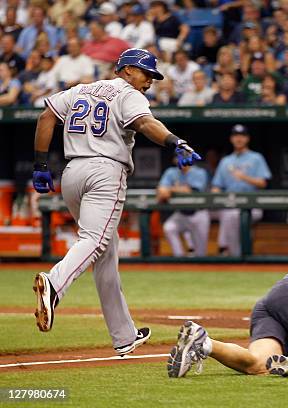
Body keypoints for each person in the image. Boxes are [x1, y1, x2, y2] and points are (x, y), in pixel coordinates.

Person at [31, 48, 202, 355]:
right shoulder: (129, 94)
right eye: (145, 73)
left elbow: (46, 117)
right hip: (105, 171)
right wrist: (175, 140)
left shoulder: (81, 90)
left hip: (71, 173)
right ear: (126, 70)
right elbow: (146, 124)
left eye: (152, 76)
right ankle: (54, 284)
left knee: (106, 254)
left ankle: (124, 336)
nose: (149, 81)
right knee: (95, 241)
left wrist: (41, 165)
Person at [211, 124, 271, 256]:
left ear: (247, 139)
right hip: (229, 204)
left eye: (242, 136)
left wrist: (244, 177)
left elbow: (263, 182)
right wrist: (215, 193)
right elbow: (217, 185)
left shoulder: (256, 158)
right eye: (236, 136)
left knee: (231, 216)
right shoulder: (226, 161)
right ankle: (231, 252)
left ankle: (228, 249)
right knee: (216, 213)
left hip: (252, 204)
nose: (239, 139)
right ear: (232, 139)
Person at [158, 160, 210, 257]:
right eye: (179, 157)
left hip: (199, 214)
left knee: (200, 254)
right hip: (181, 214)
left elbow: (191, 190)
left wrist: (171, 189)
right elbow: (161, 189)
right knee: (169, 228)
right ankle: (179, 258)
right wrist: (165, 190)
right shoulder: (171, 172)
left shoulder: (199, 172)